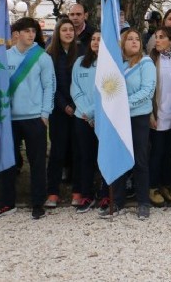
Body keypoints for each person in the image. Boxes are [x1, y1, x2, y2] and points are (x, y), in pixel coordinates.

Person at [0, 17, 55, 219]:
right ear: (16, 34)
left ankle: (38, 203)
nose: (31, 34)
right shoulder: (3, 57)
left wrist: (44, 114)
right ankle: (7, 203)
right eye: (27, 31)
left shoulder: (42, 57)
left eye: (34, 31)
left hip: (35, 119)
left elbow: (49, 87)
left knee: (38, 163)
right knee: (8, 162)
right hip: (9, 119)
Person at [101, 28, 155, 220]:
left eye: (137, 39)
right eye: (129, 39)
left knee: (140, 160)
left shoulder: (146, 63)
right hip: (117, 118)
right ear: (122, 43)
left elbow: (147, 91)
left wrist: (123, 104)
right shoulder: (115, 66)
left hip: (138, 117)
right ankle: (117, 200)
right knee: (118, 158)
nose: (134, 42)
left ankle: (143, 202)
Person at [45, 17, 84, 209]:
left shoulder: (82, 53)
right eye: (64, 30)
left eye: (71, 30)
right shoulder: (50, 55)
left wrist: (77, 105)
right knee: (57, 152)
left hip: (79, 109)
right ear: (58, 33)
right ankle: (53, 192)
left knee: (78, 150)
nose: (68, 32)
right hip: (59, 110)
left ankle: (78, 191)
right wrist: (64, 105)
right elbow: (51, 85)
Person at [70, 30, 109, 213]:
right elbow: (74, 88)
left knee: (104, 157)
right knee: (85, 157)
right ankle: (86, 194)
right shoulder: (80, 62)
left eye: (100, 39)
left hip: (103, 118)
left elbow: (109, 92)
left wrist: (94, 112)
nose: (95, 42)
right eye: (93, 39)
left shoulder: (111, 65)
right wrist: (86, 112)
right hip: (82, 118)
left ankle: (105, 194)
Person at [148, 26, 171, 207]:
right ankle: (152, 186)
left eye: (161, 37)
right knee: (156, 152)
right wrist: (150, 114)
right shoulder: (150, 61)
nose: (157, 40)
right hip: (158, 114)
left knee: (168, 153)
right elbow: (148, 91)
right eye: (156, 37)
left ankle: (165, 185)